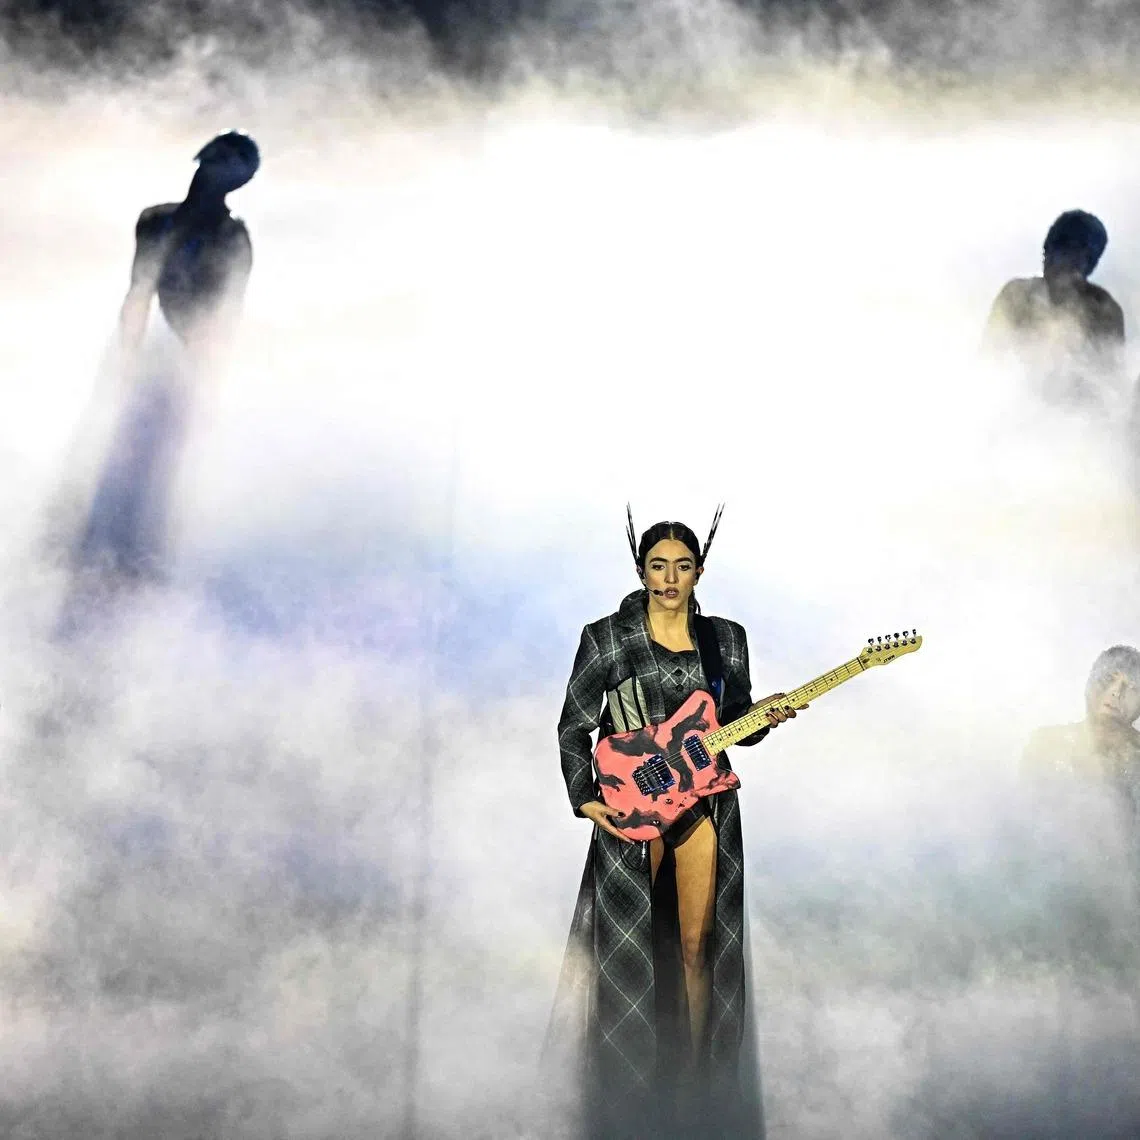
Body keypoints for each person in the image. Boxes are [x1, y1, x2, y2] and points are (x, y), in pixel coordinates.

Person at [545, 508, 803, 1139]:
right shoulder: (606, 637)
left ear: (699, 571)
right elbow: (573, 724)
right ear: (641, 569)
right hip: (630, 809)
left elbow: (734, 724)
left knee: (698, 947)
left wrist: (765, 717)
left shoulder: (726, 639)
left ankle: (694, 1090)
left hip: (704, 803)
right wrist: (586, 798)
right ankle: (626, 1093)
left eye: (681, 566)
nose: (669, 578)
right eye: (658, 566)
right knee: (630, 950)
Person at [69, 130, 259, 587]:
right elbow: (138, 290)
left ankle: (145, 556)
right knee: (121, 444)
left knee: (165, 455)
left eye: (221, 172)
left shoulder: (232, 238)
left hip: (188, 356)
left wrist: (207, 375)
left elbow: (225, 314)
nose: (208, 177)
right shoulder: (156, 221)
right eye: (209, 166)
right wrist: (125, 351)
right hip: (154, 347)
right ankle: (95, 546)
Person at [983, 209, 1125, 410]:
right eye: (1053, 247)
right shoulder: (1016, 295)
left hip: (1075, 420)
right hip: (1012, 412)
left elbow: (1109, 381)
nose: (1054, 256)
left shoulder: (1103, 308)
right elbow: (988, 359)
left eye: (1071, 250)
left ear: (1088, 260)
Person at [1023, 644, 1140, 828]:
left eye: (1131, 687)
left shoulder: (1136, 758)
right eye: (1109, 679)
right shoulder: (1045, 745)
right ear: (1091, 683)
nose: (1116, 692)